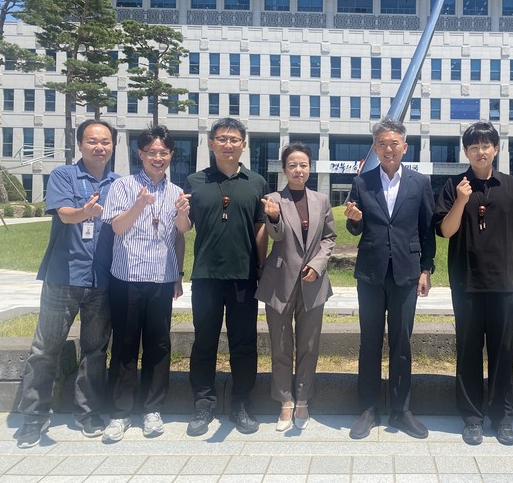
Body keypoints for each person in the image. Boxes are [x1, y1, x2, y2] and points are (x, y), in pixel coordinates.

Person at [16, 119, 119, 448]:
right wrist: (84, 211)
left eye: (105, 141)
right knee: (45, 350)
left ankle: (88, 412)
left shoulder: (119, 184)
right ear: (80, 144)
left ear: (113, 146)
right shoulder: (64, 175)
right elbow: (64, 214)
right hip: (64, 276)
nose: (99, 147)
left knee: (95, 351)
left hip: (102, 280)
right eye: (92, 141)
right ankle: (34, 417)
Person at [435, 121, 513, 446]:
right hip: (465, 282)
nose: (480, 151)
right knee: (468, 351)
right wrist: (461, 201)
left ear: (496, 148)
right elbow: (446, 231)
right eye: (474, 147)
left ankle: (503, 418)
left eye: (486, 145)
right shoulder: (453, 186)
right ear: (466, 151)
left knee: (503, 352)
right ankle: (472, 417)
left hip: (503, 283)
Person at [344, 117, 435, 440]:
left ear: (404, 147)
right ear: (375, 148)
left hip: (406, 273)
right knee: (369, 341)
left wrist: (426, 269)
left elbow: (427, 229)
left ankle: (401, 409)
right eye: (382, 143)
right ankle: (369, 409)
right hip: (371, 273)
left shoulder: (419, 182)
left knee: (401, 343)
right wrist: (354, 220)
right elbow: (355, 227)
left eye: (394, 143)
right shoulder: (362, 182)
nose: (388, 148)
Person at [100, 126, 191, 442]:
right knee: (125, 344)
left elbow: (181, 233)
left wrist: (178, 274)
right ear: (140, 154)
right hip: (127, 277)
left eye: (164, 152)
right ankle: (120, 412)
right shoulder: (123, 186)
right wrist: (138, 205)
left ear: (171, 155)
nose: (158, 158)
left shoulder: (176, 191)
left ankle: (153, 409)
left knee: (159, 344)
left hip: (162, 279)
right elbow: (116, 227)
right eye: (152, 152)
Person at [183, 117, 268, 436]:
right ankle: (203, 403)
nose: (228, 144)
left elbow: (260, 228)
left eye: (234, 139)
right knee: (203, 341)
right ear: (211, 143)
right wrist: (179, 214)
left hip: (244, 277)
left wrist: (261, 267)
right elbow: (184, 226)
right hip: (206, 275)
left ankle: (241, 402)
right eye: (222, 139)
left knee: (244, 342)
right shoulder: (195, 181)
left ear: (244, 145)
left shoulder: (256, 182)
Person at [257, 142, 336, 432]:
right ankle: (285, 401)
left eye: (303, 165)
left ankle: (302, 399)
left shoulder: (322, 200)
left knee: (309, 345)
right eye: (292, 165)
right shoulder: (273, 199)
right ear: (284, 169)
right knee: (280, 345)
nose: (298, 170)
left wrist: (318, 264)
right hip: (279, 281)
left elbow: (329, 237)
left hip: (313, 282)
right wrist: (273, 216)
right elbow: (276, 236)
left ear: (310, 168)